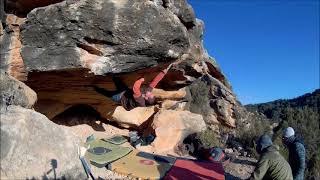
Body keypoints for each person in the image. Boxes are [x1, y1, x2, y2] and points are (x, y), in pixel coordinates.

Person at [93, 63, 175, 111]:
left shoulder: (140, 101)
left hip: (120, 97)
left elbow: (135, 88)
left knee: (108, 93)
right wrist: (164, 72)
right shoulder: (147, 92)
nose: (150, 92)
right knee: (117, 80)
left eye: (150, 94)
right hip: (126, 92)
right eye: (151, 94)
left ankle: (95, 88)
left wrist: (141, 80)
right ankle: (110, 73)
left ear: (146, 98)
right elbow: (155, 81)